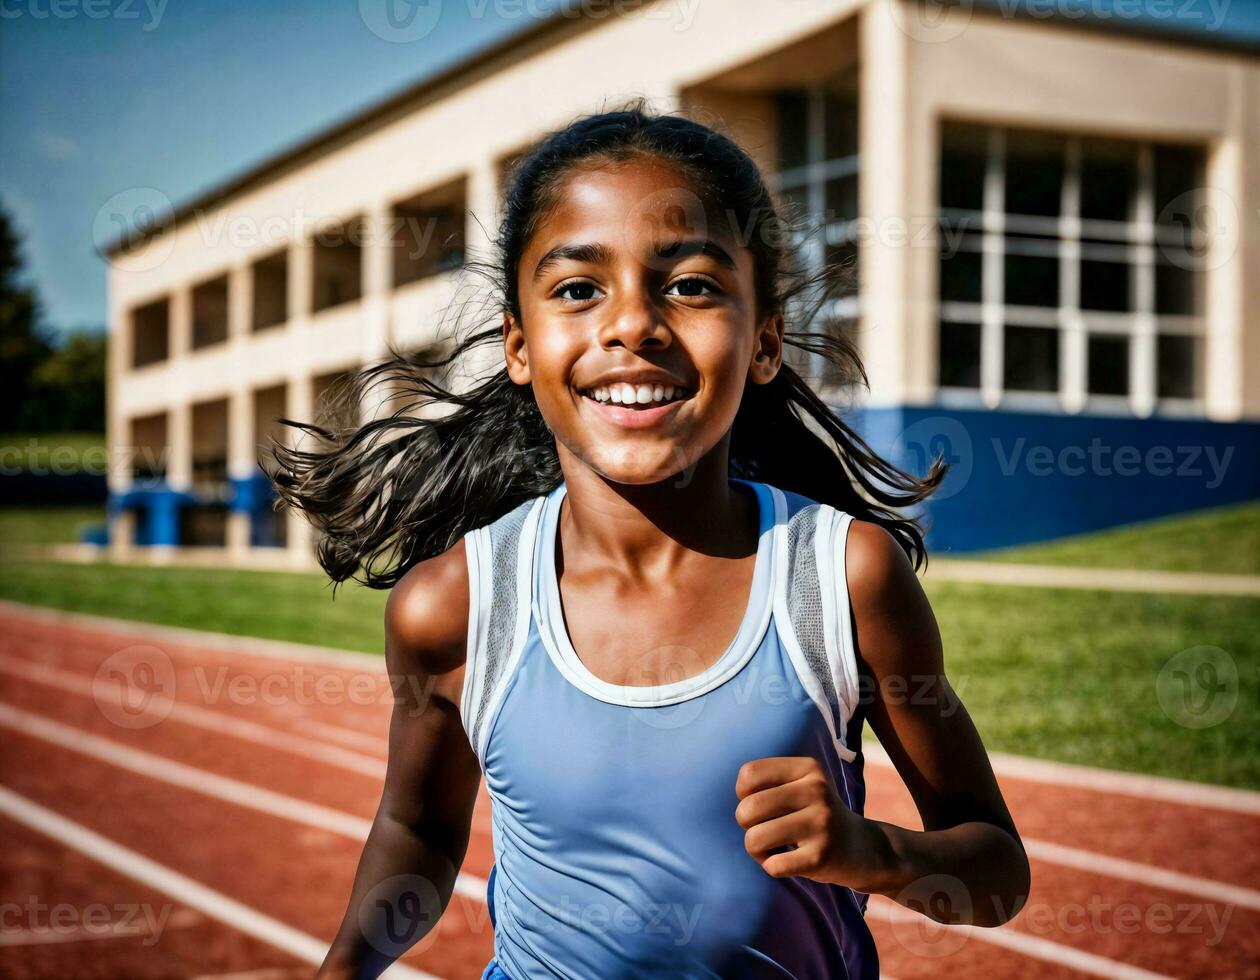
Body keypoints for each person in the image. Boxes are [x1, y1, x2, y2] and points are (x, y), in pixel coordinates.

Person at [273, 99, 1030, 980]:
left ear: (766, 341)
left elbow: (998, 875)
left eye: (693, 285)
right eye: (578, 288)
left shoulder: (844, 577)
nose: (632, 324)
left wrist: (875, 853)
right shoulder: (458, 604)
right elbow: (419, 831)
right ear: (519, 346)